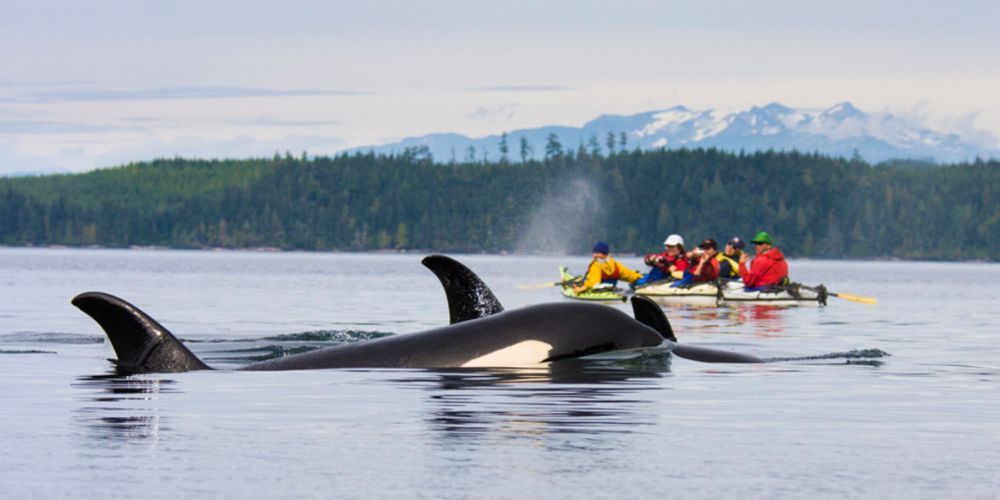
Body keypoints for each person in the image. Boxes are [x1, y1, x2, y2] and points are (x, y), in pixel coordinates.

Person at [573, 241, 643, 293]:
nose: (594, 255)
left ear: (603, 253)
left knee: (582, 281)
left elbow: (593, 282)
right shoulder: (615, 264)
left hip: (599, 291)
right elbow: (629, 275)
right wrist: (639, 277)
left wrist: (582, 287)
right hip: (612, 290)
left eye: (597, 253)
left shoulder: (596, 266)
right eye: (594, 253)